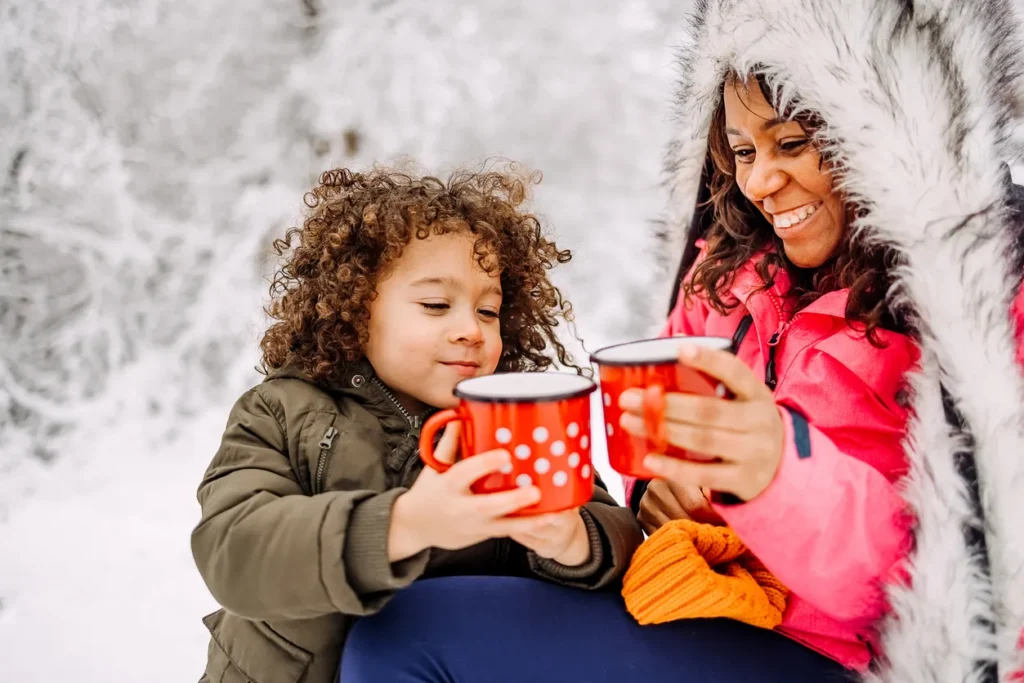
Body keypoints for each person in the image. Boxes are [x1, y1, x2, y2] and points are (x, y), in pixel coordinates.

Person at [339, 2, 1024, 681]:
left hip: (853, 657)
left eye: (791, 144)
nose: (760, 182)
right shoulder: (727, 279)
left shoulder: (980, 297)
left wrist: (775, 472)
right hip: (702, 600)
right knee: (400, 628)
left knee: (414, 640)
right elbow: (652, 450)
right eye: (745, 151)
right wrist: (654, 491)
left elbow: (973, 573)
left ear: (891, 137)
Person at [189, 165, 644, 683]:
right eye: (435, 305)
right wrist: (404, 524)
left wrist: (573, 540)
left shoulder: (513, 422)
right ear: (354, 309)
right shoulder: (282, 412)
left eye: (489, 311)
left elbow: (618, 532)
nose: (470, 329)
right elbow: (235, 554)